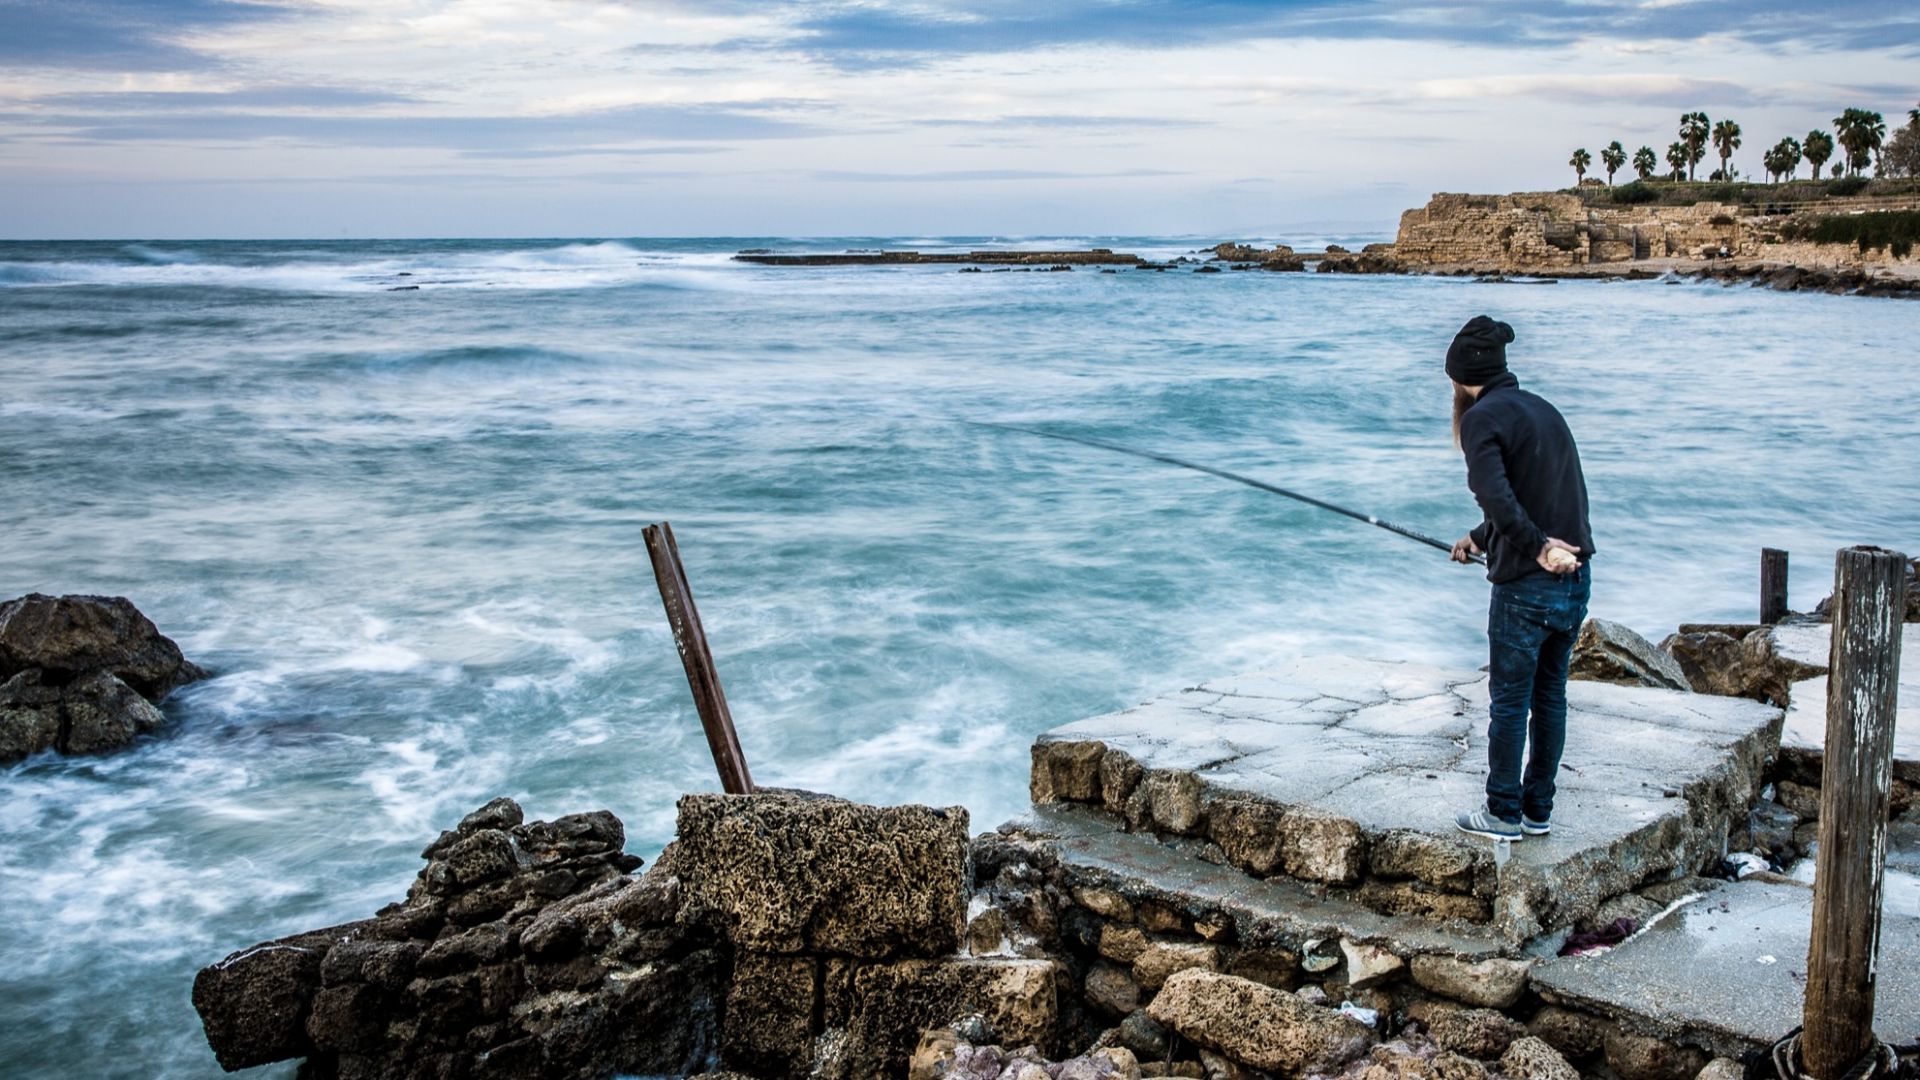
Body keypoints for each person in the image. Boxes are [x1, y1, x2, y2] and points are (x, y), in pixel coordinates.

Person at [1445, 315, 1594, 842]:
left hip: (1528, 588)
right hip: (1576, 579)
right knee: (1549, 696)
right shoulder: (1542, 410)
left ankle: (1503, 812)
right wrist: (1479, 538)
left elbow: (1497, 497)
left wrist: (1536, 549)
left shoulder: (1480, 419)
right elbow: (1534, 496)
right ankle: (1537, 810)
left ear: (1460, 379)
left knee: (1509, 701)